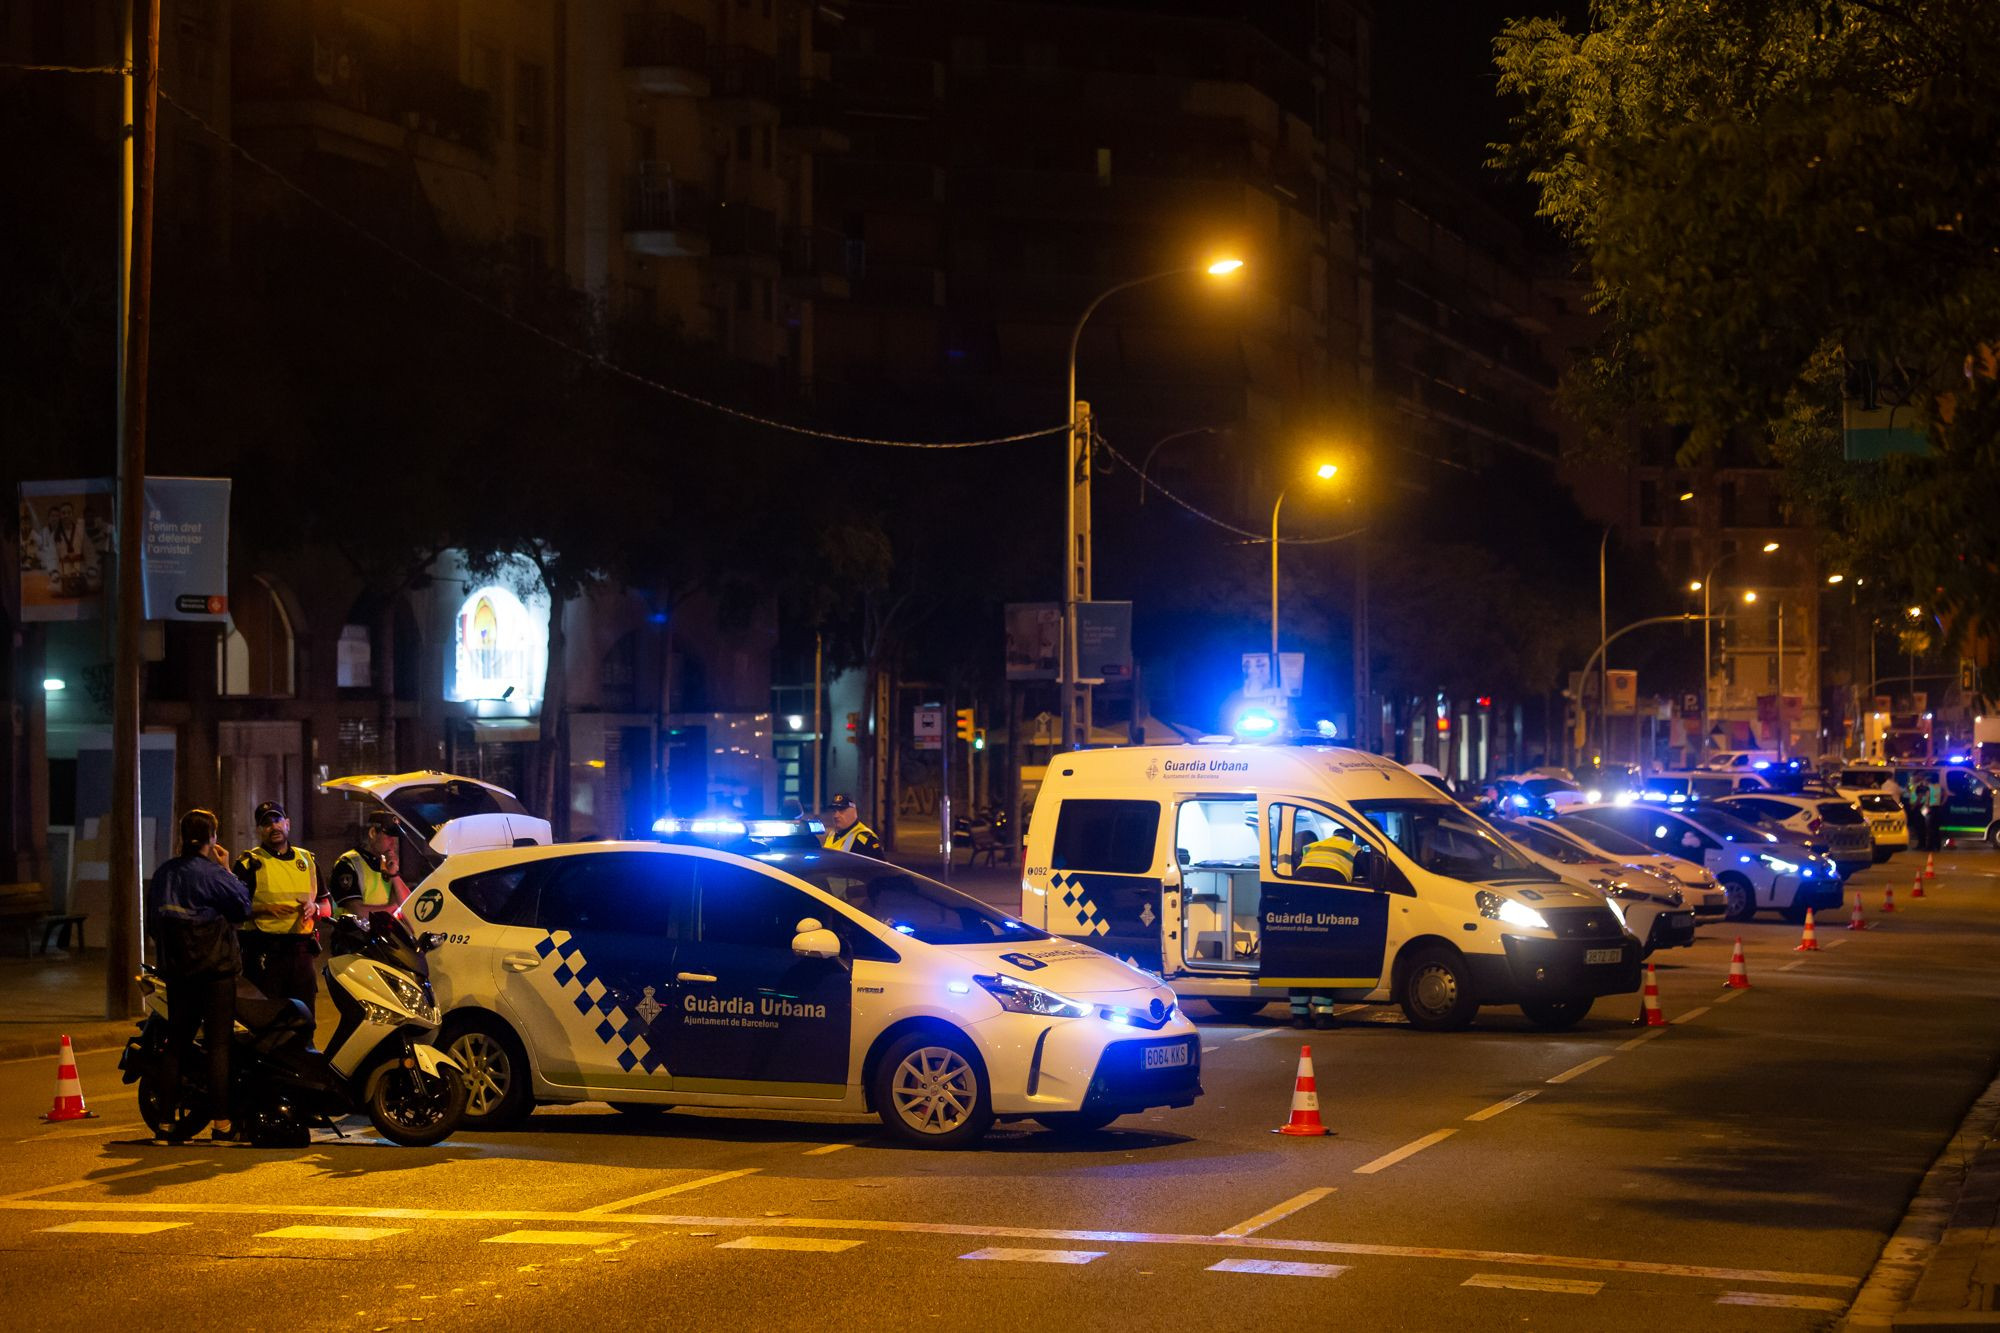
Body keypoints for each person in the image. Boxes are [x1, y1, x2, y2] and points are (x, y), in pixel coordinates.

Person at [147, 808, 251, 1144]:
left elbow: (153, 926)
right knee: (219, 1046)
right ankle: (221, 1125)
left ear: (181, 836)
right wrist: (226, 869)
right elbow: (242, 908)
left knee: (176, 1045)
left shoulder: (164, 874)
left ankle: (164, 1125)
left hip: (177, 974)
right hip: (215, 973)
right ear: (213, 838)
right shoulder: (212, 874)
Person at [233, 801, 330, 1006]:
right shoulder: (249, 863)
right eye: (266, 824)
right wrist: (264, 910)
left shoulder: (307, 860)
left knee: (304, 1021)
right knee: (269, 1020)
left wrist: (315, 908)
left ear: (287, 823)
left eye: (277, 820)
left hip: (301, 953)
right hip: (265, 954)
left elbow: (328, 906)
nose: (274, 827)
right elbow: (234, 911)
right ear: (259, 830)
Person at [330, 812, 409, 918]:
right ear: (372, 833)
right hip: (353, 934)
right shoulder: (347, 863)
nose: (394, 843)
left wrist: (395, 875)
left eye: (396, 838)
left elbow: (409, 906)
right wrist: (393, 910)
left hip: (381, 933)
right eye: (389, 836)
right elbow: (357, 912)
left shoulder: (388, 864)